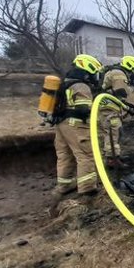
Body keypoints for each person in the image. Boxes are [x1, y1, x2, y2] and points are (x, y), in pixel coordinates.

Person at [52, 54, 103, 202]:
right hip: (76, 125)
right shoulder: (81, 86)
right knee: (85, 155)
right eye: (95, 73)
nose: (96, 76)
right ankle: (88, 189)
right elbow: (83, 109)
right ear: (88, 70)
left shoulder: (66, 83)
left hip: (61, 125)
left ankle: (64, 186)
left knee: (64, 155)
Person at [100, 55, 134, 167]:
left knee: (116, 131)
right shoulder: (118, 74)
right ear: (130, 67)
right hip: (108, 108)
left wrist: (127, 105)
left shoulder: (118, 72)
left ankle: (114, 156)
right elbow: (122, 92)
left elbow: (118, 96)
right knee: (113, 131)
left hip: (111, 106)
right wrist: (132, 85)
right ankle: (111, 159)